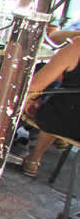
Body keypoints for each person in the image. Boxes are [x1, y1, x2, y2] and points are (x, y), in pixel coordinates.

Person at [21, 36, 80, 177]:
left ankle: (33, 158)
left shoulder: (76, 46)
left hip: (62, 120)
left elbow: (35, 85)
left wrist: (33, 99)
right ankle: (35, 159)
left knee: (32, 90)